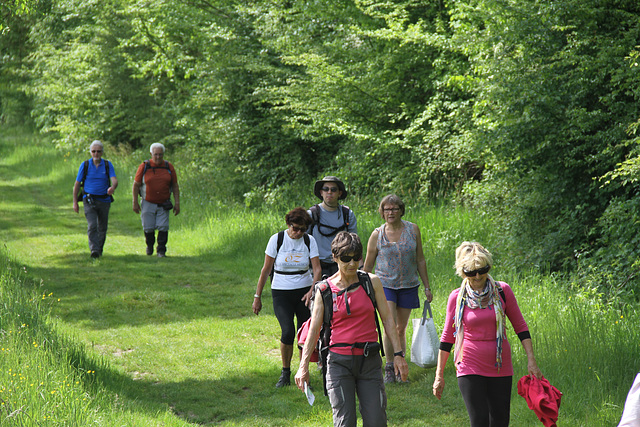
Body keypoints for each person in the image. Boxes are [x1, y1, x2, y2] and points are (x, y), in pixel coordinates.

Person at [295, 231, 409, 427]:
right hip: (339, 364)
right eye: (346, 259)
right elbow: (314, 330)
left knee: (376, 421)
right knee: (345, 422)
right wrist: (303, 366)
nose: (352, 264)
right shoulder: (324, 290)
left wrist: (398, 355)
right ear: (335, 257)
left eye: (356, 258)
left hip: (370, 361)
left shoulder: (371, 282)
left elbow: (388, 321)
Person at [432, 241, 543, 427]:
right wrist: (439, 375)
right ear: (462, 272)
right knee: (480, 420)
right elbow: (447, 338)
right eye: (470, 272)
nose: (477, 276)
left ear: (488, 268)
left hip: (500, 364)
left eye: (481, 270)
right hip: (469, 363)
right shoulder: (457, 297)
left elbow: (521, 327)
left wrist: (531, 360)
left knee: (500, 420)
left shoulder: (502, 291)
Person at [363, 194, 432, 384]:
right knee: (390, 325)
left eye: (394, 209)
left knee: (401, 329)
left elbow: (420, 259)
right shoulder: (377, 234)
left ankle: (400, 368)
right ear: (382, 212)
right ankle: (389, 368)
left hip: (409, 285)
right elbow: (367, 267)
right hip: (385, 285)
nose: (390, 212)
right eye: (386, 209)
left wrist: (427, 286)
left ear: (401, 210)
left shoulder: (413, 230)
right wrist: (361, 289)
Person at [253, 207, 322, 388]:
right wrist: (257, 296)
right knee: (288, 331)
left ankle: (303, 372)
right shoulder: (277, 239)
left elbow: (317, 270)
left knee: (305, 335)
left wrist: (312, 291)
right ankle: (285, 373)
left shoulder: (309, 241)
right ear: (288, 224)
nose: (298, 233)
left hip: (304, 293)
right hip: (281, 291)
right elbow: (266, 270)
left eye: (302, 229)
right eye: (295, 228)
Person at [132, 143, 180, 257]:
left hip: (164, 202)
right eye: (155, 154)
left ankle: (161, 250)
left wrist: (177, 202)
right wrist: (135, 202)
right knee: (148, 227)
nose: (158, 157)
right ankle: (149, 246)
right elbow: (136, 185)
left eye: (160, 155)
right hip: (148, 201)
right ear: (151, 154)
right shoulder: (144, 166)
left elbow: (175, 186)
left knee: (163, 226)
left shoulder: (169, 167)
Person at [72, 140, 118, 258]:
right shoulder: (85, 165)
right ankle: (94, 250)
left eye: (98, 151)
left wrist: (112, 187)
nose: (96, 154)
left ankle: (99, 250)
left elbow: (114, 180)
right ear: (90, 152)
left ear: (102, 152)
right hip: (89, 200)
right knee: (92, 225)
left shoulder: (108, 165)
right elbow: (77, 184)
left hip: (104, 201)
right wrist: (75, 202)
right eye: (93, 151)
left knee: (103, 227)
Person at [308, 176, 358, 277]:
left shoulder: (347, 214)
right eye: (326, 189)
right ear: (321, 192)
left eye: (333, 189)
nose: (329, 192)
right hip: (317, 266)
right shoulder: (311, 214)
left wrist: (360, 267)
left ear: (340, 193)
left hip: (341, 265)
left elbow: (354, 244)